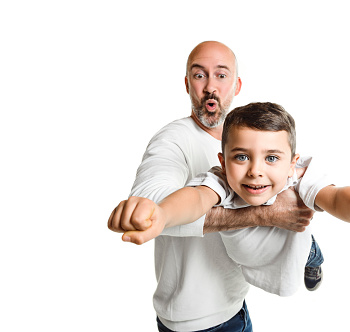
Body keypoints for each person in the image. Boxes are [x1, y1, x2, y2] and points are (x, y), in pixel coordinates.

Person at [112, 102, 350, 302]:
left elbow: (340, 197)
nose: (255, 172)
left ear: (292, 163)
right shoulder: (219, 181)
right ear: (222, 162)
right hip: (251, 265)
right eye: (241, 157)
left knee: (309, 252)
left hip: (293, 248)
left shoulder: (298, 175)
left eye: (271, 158)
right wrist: (161, 213)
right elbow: (194, 200)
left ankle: (314, 260)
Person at [108, 41, 317, 332]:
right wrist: (264, 215)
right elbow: (153, 206)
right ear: (187, 84)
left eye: (221, 75)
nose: (210, 87)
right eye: (199, 75)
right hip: (194, 319)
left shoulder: (243, 140)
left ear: (237, 85)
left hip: (233, 304)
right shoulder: (173, 139)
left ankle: (312, 256)